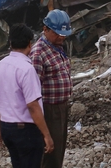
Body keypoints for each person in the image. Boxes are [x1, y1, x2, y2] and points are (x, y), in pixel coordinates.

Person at [0, 24, 54, 168]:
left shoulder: (0, 65)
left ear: (11, 43)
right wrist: (47, 135)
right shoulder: (27, 69)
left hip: (7, 128)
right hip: (25, 131)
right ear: (29, 43)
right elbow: (32, 105)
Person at [30, 10, 72, 168]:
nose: (61, 37)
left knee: (59, 150)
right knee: (50, 152)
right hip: (48, 110)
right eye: (57, 33)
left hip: (61, 107)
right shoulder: (38, 53)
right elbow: (33, 89)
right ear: (45, 29)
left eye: (64, 34)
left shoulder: (57, 46)